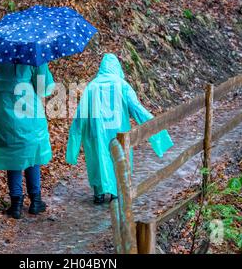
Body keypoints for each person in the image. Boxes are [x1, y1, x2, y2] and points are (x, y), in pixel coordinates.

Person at [66, 53, 173, 204]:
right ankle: (116, 193)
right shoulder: (122, 86)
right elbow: (137, 109)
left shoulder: (91, 87)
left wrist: (73, 149)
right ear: (117, 68)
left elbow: (79, 118)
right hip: (119, 132)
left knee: (97, 159)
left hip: (95, 133)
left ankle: (99, 193)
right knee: (118, 158)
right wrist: (157, 127)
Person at [0, 60, 54, 219]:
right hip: (28, 115)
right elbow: (44, 89)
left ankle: (16, 205)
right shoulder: (33, 57)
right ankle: (35, 201)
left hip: (2, 116)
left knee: (12, 156)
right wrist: (43, 64)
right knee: (31, 155)